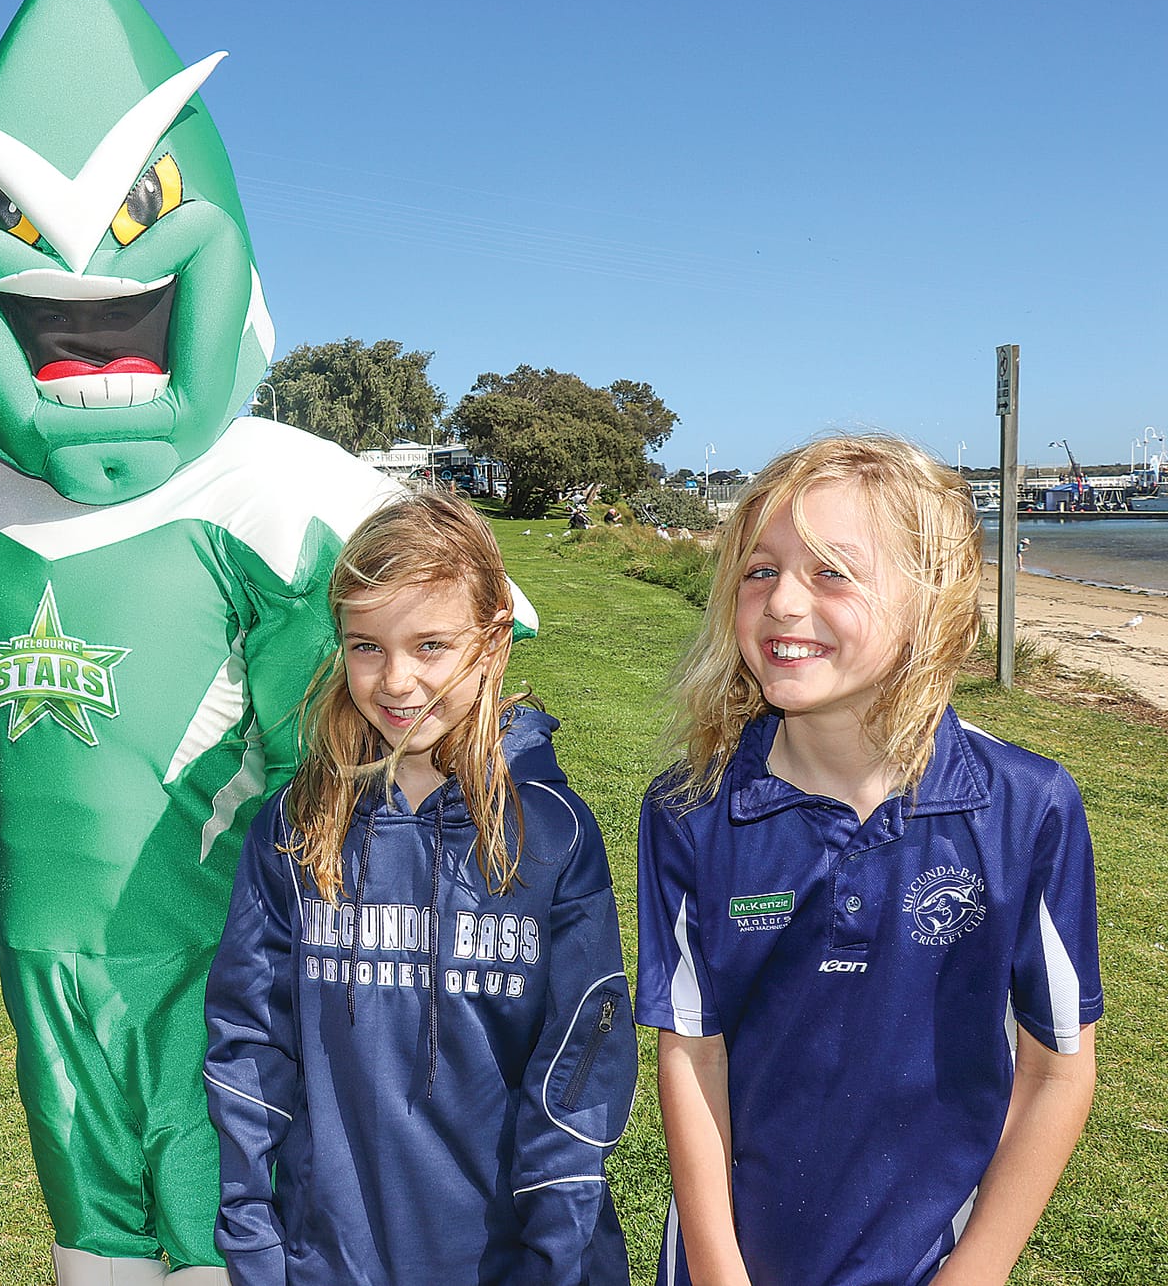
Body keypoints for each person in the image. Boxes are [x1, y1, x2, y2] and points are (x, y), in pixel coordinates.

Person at [637, 434, 1101, 1286]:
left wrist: (975, 1271)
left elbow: (1056, 1068)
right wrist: (715, 1270)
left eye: (831, 573)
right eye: (760, 569)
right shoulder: (690, 810)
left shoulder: (1027, 806)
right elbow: (691, 1051)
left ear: (933, 600)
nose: (782, 602)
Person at [204, 490, 636, 1285]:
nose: (397, 680)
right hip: (331, 1254)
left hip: (510, 1257)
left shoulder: (553, 832)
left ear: (493, 639)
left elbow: (583, 1060)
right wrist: (255, 1241)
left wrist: (557, 1255)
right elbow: (248, 1046)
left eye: (430, 644)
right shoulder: (294, 826)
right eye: (366, 646)